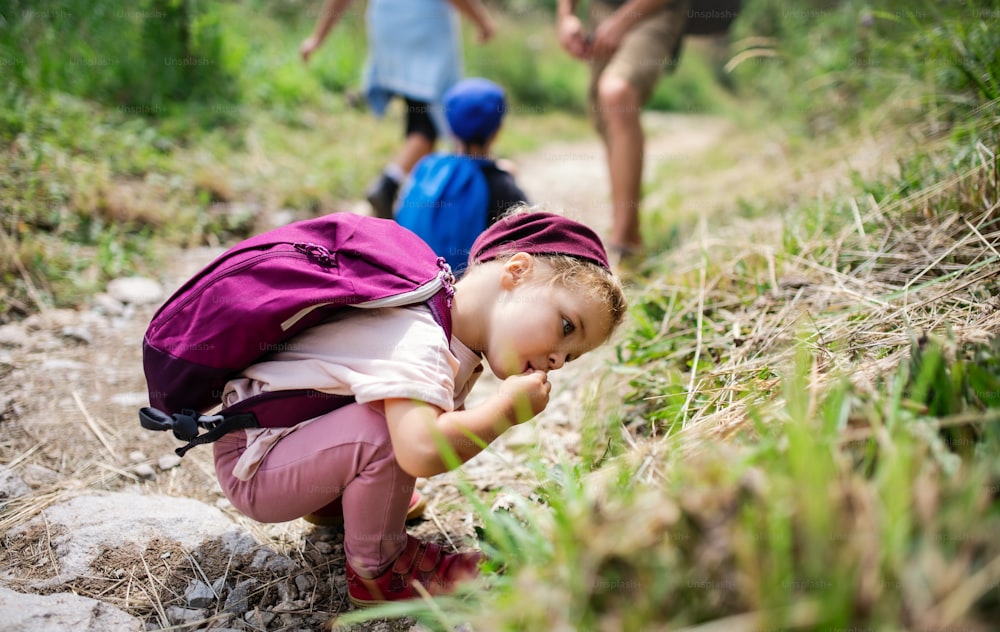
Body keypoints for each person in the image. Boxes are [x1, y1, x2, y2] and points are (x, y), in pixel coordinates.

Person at [211, 207, 628, 605]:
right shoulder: (420, 336)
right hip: (257, 462)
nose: (558, 359)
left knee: (398, 420)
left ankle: (339, 499)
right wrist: (503, 412)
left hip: (279, 439)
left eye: (572, 356)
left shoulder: (446, 328)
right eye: (567, 326)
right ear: (517, 271)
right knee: (389, 434)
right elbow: (421, 451)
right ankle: (381, 569)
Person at [301, 0, 497, 219]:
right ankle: (388, 185)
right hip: (424, 26)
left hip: (387, 24)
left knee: (418, 109)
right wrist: (483, 22)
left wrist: (317, 37)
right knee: (429, 121)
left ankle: (415, 198)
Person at [556, 0, 690, 263]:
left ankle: (622, 247)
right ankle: (631, 231)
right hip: (602, 9)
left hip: (656, 9)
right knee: (604, 117)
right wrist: (566, 16)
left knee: (617, 92)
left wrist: (621, 22)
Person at [395, 77, 530, 275]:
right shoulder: (501, 185)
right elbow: (529, 236)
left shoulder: (427, 166)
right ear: (497, 131)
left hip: (409, 278)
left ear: (450, 129)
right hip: (458, 290)